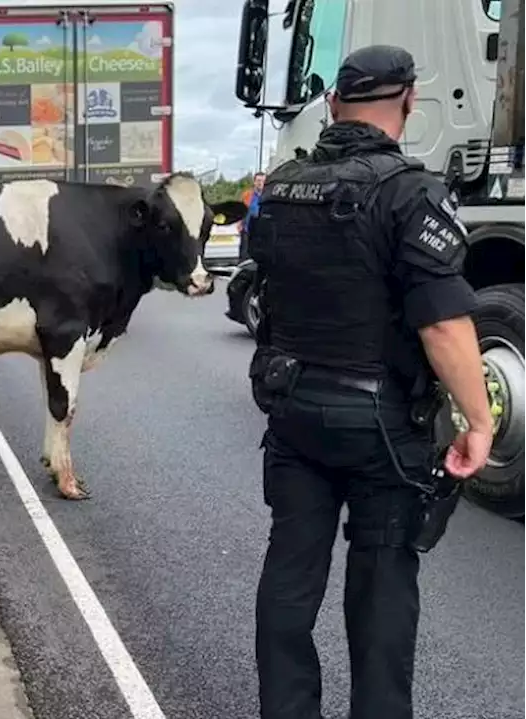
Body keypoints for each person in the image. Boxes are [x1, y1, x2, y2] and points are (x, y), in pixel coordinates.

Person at [246, 45, 493, 719]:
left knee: (291, 576)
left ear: (332, 106)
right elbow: (443, 326)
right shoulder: (411, 192)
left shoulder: (284, 184)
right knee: (382, 589)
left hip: (293, 413)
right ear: (409, 101)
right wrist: (479, 422)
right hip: (382, 430)